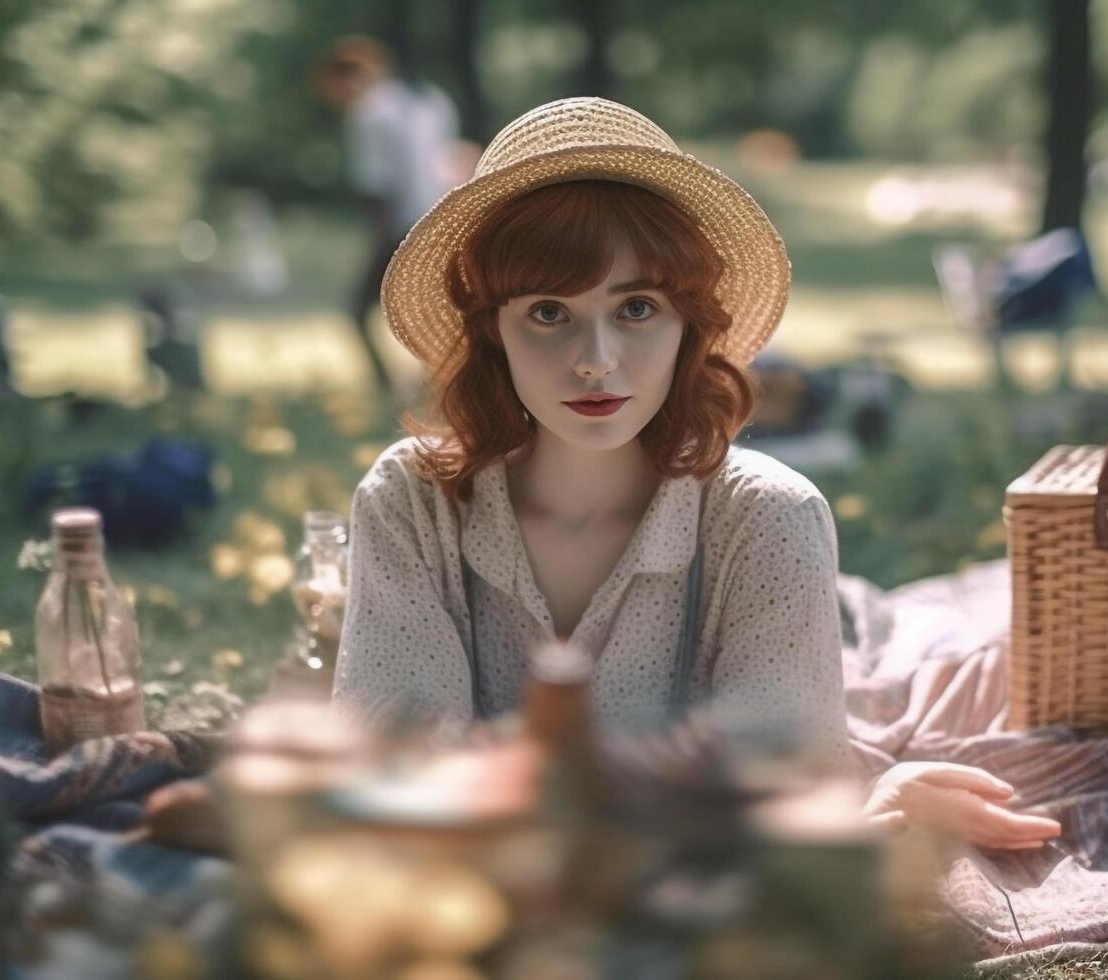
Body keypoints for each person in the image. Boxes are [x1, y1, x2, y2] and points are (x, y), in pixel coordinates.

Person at [331, 97, 1062, 852]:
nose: (596, 358)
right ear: (492, 332)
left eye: (637, 307)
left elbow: (781, 780)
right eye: (549, 313)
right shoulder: (410, 500)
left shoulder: (771, 515)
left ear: (689, 325)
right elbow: (394, 768)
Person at [315, 36, 464, 402]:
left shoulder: (367, 113)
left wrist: (381, 239)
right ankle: (436, 383)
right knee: (436, 307)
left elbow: (377, 184)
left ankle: (391, 385)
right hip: (445, 217)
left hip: (402, 224)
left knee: (358, 309)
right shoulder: (431, 101)